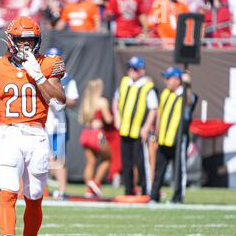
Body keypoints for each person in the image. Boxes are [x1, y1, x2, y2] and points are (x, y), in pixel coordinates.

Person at [0, 16, 66, 236]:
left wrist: (38, 76)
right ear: (11, 41)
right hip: (9, 134)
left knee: (35, 195)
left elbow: (59, 102)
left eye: (31, 40)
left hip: (37, 135)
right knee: (7, 192)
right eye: (21, 40)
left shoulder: (48, 64)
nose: (26, 45)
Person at [150, 67, 197, 203]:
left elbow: (189, 101)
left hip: (177, 139)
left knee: (178, 170)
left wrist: (188, 84)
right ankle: (154, 196)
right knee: (159, 169)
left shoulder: (185, 94)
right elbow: (160, 115)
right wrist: (157, 134)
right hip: (163, 138)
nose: (166, 81)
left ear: (177, 80)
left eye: (168, 78)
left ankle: (177, 197)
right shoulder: (165, 93)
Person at [112, 56, 158, 196]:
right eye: (130, 68)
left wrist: (146, 127)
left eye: (135, 68)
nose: (131, 71)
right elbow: (116, 101)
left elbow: (153, 109)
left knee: (141, 163)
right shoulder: (125, 82)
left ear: (142, 70)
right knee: (126, 163)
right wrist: (117, 117)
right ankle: (128, 191)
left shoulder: (147, 86)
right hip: (125, 129)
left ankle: (146, 191)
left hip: (138, 131)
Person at [44, 47, 79, 200]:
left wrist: (59, 101)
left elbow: (73, 100)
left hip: (58, 124)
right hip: (43, 123)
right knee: (43, 158)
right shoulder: (41, 77)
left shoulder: (67, 79)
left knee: (58, 159)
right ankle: (44, 190)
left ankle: (62, 189)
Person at [79, 78, 113, 198]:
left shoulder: (86, 102)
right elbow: (108, 119)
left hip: (85, 134)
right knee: (108, 159)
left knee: (90, 162)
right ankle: (95, 183)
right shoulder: (102, 101)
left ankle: (89, 189)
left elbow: (82, 119)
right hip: (98, 134)